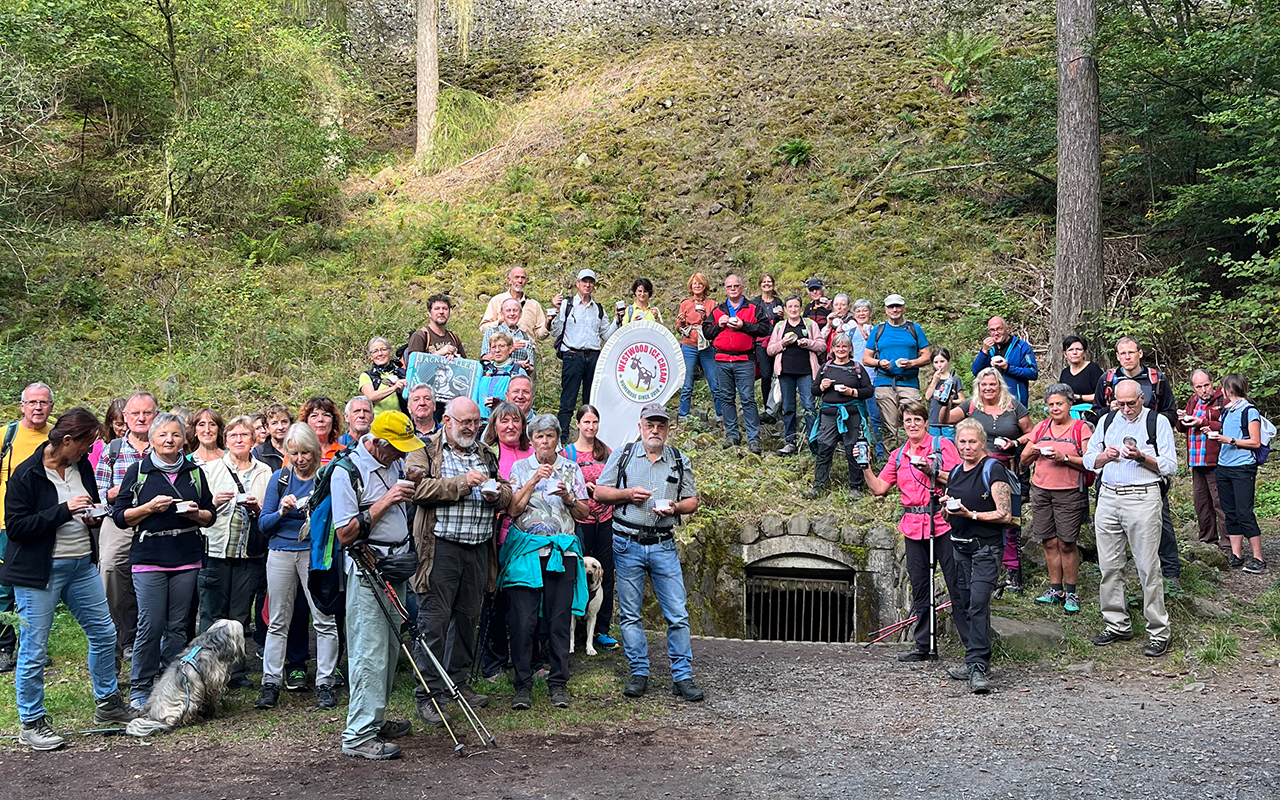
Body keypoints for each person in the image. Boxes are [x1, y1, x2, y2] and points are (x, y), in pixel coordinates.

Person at [2, 407, 141, 749]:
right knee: (34, 650)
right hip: (41, 573)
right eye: (85, 444)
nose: (89, 450)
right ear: (67, 440)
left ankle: (108, 705)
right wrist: (64, 510)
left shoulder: (82, 467)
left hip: (81, 566)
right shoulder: (27, 474)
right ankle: (31, 722)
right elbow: (17, 528)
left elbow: (88, 505)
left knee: (105, 634)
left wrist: (92, 516)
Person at [406, 397, 512, 728]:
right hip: (440, 549)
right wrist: (463, 484)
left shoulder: (486, 455)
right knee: (433, 623)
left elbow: (508, 494)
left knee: (467, 620)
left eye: (475, 421)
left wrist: (499, 496)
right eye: (463, 421)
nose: (470, 427)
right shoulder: (424, 450)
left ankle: (458, 683)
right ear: (447, 420)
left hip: (478, 549)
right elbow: (416, 489)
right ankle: (428, 693)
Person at [593, 402, 703, 702]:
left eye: (661, 425)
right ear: (640, 426)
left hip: (664, 543)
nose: (655, 430)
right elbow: (600, 492)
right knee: (630, 614)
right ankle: (638, 672)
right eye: (650, 425)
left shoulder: (679, 459)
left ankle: (682, 677)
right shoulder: (624, 455)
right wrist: (628, 494)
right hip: (626, 542)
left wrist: (676, 507)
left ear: (668, 429)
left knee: (678, 614)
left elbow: (692, 500)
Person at [331, 411, 424, 760]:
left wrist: (406, 481)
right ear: (378, 443)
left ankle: (376, 718)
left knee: (388, 645)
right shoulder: (346, 472)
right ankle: (357, 735)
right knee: (368, 649)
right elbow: (344, 533)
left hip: (395, 566)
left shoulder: (392, 463)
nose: (402, 455)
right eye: (397, 449)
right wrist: (389, 499)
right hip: (367, 569)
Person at [112, 412, 217, 707]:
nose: (169, 440)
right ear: (152, 440)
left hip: (187, 556)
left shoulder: (195, 472)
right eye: (162, 435)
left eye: (175, 435)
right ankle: (140, 687)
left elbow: (211, 515)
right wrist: (147, 508)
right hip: (149, 556)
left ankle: (173, 684)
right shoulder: (138, 471)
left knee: (178, 625)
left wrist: (196, 513)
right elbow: (120, 516)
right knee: (151, 622)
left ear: (184, 439)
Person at [861, 401, 964, 663]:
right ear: (902, 424)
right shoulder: (898, 455)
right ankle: (923, 645)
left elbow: (959, 478)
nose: (913, 425)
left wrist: (933, 471)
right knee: (919, 587)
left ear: (925, 422)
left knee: (956, 584)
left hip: (942, 522)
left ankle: (971, 646)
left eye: (917, 419)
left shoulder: (942, 446)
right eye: (908, 421)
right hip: (912, 526)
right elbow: (880, 488)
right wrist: (865, 465)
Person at [1083, 379, 1176, 658]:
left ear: (1142, 399)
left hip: (1143, 496)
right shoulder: (1108, 420)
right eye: (1120, 403)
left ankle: (1158, 630)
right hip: (1108, 496)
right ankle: (1116, 623)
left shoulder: (1157, 422)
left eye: (1130, 403)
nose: (1125, 409)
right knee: (1110, 565)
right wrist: (1103, 457)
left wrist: (1141, 457)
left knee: (1148, 566)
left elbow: (1171, 465)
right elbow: (1088, 460)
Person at [505, 415, 589, 710]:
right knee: (523, 621)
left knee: (558, 621)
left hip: (561, 553)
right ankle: (522, 685)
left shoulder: (571, 469)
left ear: (558, 439)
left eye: (550, 436)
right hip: (528, 553)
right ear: (531, 440)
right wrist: (532, 481)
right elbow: (512, 510)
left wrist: (568, 496)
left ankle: (558, 683)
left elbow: (584, 513)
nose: (544, 441)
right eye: (539, 436)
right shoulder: (519, 468)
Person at [256, 423, 338, 711]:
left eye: (305, 452)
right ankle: (270, 683)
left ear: (315, 451)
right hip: (280, 552)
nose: (300, 459)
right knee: (278, 620)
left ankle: (325, 682)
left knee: (323, 618)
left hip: (314, 553)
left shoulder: (326, 479)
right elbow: (263, 524)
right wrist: (282, 511)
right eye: (294, 454)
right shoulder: (279, 479)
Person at [1090, 337, 1181, 592]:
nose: (1127, 357)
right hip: (1114, 473)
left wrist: (1146, 422)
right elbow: (1095, 412)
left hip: (1148, 468)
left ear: (1140, 353)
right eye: (1123, 353)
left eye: (1132, 352)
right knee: (1111, 527)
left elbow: (1170, 413)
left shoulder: (1156, 379)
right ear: (1117, 356)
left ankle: (1171, 573)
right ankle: (1116, 581)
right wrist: (1113, 413)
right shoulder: (1107, 380)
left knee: (1161, 520)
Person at [197, 415, 272, 689]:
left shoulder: (265, 471)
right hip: (216, 549)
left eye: (244, 435)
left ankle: (235, 671)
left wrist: (258, 509)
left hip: (249, 552)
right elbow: (199, 510)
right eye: (233, 436)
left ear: (253, 440)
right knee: (212, 612)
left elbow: (270, 510)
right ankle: (205, 668)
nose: (238, 440)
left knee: (239, 614)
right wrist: (214, 502)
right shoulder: (210, 469)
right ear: (225, 440)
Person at [940, 418, 1014, 694]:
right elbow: (949, 510)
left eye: (972, 441)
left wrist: (971, 514)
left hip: (985, 548)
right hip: (959, 547)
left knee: (979, 604)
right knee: (964, 603)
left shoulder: (993, 469)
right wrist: (948, 509)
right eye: (963, 441)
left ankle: (978, 666)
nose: (967, 446)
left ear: (982, 443)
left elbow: (1004, 514)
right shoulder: (957, 471)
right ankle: (973, 657)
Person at [943, 367, 1032, 591]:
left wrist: (1015, 443)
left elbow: (1032, 431)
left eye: (992, 384)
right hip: (975, 473)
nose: (988, 388)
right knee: (977, 516)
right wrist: (946, 400)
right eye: (984, 385)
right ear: (978, 387)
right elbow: (944, 420)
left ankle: (1012, 572)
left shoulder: (1013, 406)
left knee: (1009, 521)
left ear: (999, 385)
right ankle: (982, 572)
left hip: (1006, 469)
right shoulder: (971, 406)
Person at [94, 390, 158, 666]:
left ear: (156, 415)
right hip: (119, 522)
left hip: (156, 523)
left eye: (147, 413)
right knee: (109, 569)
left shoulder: (166, 447)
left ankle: (149, 651)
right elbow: (98, 493)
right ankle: (112, 645)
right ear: (125, 418)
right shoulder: (113, 450)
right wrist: (116, 494)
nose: (141, 418)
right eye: (135, 414)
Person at [1021, 384, 1093, 613]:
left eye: (1059, 403)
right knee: (1048, 541)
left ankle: (1071, 591)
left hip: (1070, 491)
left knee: (1067, 542)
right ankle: (1055, 589)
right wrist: (1035, 450)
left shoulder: (1080, 429)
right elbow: (1023, 460)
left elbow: (1090, 462)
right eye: (1051, 404)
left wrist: (1065, 457)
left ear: (1069, 404)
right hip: (1041, 490)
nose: (1054, 408)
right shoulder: (1041, 428)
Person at [0, 382, 54, 674]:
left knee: (36, 588)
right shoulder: (6, 436)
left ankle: (32, 646)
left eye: (43, 403)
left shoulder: (57, 437)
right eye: (32, 402)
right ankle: (5, 646)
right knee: (4, 589)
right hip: (7, 524)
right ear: (22, 405)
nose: (37, 408)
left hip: (46, 525)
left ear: (51, 407)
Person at [477, 401, 533, 680]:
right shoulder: (488, 453)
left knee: (526, 599)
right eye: (504, 421)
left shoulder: (533, 451)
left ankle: (528, 657)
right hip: (497, 535)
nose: (510, 426)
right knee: (495, 598)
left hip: (529, 537)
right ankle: (494, 660)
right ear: (494, 426)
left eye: (516, 421)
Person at [562, 404, 619, 651]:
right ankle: (576, 628)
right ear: (578, 424)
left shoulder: (606, 451)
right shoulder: (568, 454)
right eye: (586, 422)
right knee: (579, 574)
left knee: (604, 573)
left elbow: (617, 481)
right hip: (580, 522)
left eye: (594, 422)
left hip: (605, 519)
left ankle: (601, 630)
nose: (591, 427)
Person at [703, 274, 770, 454]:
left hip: (744, 359)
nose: (733, 289)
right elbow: (706, 332)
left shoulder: (754, 308)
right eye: (729, 287)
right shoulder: (718, 310)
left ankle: (753, 439)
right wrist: (719, 325)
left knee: (748, 399)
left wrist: (744, 326)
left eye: (736, 286)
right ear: (725, 290)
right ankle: (732, 436)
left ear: (742, 288)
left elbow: (765, 328)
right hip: (722, 359)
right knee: (726, 398)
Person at [550, 269, 616, 442]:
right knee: (568, 399)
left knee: (591, 400)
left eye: (590, 282)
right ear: (577, 284)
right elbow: (555, 331)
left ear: (594, 285)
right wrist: (555, 311)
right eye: (584, 281)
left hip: (594, 357)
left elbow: (607, 335)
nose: (587, 285)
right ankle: (562, 438)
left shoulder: (599, 309)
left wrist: (617, 319)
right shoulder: (567, 305)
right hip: (572, 356)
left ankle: (591, 438)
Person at [1210, 374, 1266, 573]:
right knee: (1230, 512)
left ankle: (1258, 558)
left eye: (1223, 388)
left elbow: (1255, 442)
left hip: (1243, 467)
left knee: (1244, 512)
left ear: (1230, 389)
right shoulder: (1226, 411)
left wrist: (1229, 440)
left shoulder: (1249, 411)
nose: (1221, 391)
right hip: (1224, 466)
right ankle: (1236, 555)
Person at [806, 334, 873, 497]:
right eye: (837, 346)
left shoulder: (857, 368)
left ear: (850, 349)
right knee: (824, 448)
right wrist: (821, 386)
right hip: (829, 414)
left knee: (853, 450)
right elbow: (814, 391)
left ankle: (855, 488)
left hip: (852, 414)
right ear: (832, 349)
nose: (841, 349)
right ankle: (819, 486)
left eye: (844, 346)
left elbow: (869, 391)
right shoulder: (826, 367)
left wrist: (852, 392)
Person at [863, 293, 931, 453]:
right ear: (886, 310)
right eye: (891, 307)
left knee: (915, 422)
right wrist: (880, 363)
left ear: (903, 308)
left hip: (909, 382)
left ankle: (919, 459)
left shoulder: (914, 328)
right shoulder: (879, 330)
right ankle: (892, 465)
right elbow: (866, 358)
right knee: (889, 426)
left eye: (898, 306)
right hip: (884, 383)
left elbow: (927, 356)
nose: (895, 309)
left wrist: (912, 363)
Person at [766, 295, 826, 456]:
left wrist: (808, 343)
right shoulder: (780, 326)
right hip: (786, 373)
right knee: (788, 408)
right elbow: (770, 350)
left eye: (796, 306)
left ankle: (813, 441)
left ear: (800, 308)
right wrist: (782, 344)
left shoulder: (809, 325)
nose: (793, 309)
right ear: (785, 309)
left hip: (806, 372)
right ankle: (790, 441)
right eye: (790, 307)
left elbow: (822, 346)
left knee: (809, 406)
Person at [1178, 370, 1227, 551]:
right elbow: (1181, 429)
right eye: (1199, 387)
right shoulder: (1193, 401)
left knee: (1220, 502)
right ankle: (1207, 541)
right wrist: (1182, 419)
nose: (1204, 390)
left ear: (1212, 383)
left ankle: (1228, 544)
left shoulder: (1223, 400)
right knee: (1201, 502)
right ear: (1193, 388)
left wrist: (1203, 422)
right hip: (1196, 459)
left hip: (1216, 460)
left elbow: (1228, 426)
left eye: (1206, 385)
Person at [677, 272, 723, 425]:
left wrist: (705, 317)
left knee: (714, 382)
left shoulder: (712, 304)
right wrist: (682, 323)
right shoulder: (685, 304)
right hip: (689, 345)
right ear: (691, 286)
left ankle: (721, 415)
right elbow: (678, 328)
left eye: (700, 284)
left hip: (707, 346)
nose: (697, 286)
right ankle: (683, 415)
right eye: (694, 283)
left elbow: (716, 327)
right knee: (687, 381)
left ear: (705, 287)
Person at [970, 316, 1039, 407]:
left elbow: (1033, 373)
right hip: (992, 403)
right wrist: (984, 352)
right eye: (992, 330)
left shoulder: (1021, 347)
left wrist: (1008, 368)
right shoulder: (989, 349)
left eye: (999, 329)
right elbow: (976, 372)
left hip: (1015, 403)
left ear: (1007, 329)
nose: (996, 333)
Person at [848, 299, 885, 459]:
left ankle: (881, 453)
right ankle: (859, 451)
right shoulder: (849, 332)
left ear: (870, 313)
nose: (862, 314)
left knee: (875, 417)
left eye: (865, 311)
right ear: (854, 314)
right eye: (858, 311)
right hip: (854, 379)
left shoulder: (877, 331)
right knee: (855, 418)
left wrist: (869, 338)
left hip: (873, 378)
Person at [480, 266, 549, 340]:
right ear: (509, 280)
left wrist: (548, 322)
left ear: (526, 281)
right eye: (516, 277)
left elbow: (540, 335)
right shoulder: (497, 301)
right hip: (502, 349)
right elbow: (483, 328)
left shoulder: (534, 305)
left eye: (523, 278)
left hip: (527, 349)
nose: (520, 281)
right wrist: (498, 323)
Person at [751, 273, 784, 424]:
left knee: (778, 376)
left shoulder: (778, 302)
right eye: (764, 282)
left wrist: (782, 316)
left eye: (769, 282)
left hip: (776, 341)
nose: (767, 284)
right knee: (765, 376)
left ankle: (777, 407)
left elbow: (783, 322)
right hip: (760, 343)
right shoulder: (755, 302)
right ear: (760, 284)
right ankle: (767, 409)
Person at [481, 298, 536, 375]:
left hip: (518, 380)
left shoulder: (526, 338)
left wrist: (526, 366)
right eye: (508, 310)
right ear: (502, 314)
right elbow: (484, 359)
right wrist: (510, 348)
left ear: (520, 314)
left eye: (515, 310)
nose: (512, 314)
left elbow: (531, 368)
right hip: (496, 378)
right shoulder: (491, 333)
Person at [405, 294, 467, 362]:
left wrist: (457, 360)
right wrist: (439, 354)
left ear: (449, 312)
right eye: (437, 309)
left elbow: (466, 367)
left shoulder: (454, 338)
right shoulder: (420, 336)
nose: (441, 312)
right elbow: (414, 366)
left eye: (445, 309)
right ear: (429, 313)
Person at [360, 337, 408, 417]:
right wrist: (394, 388)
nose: (380, 354)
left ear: (390, 351)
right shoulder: (367, 376)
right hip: (378, 423)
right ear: (371, 356)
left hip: (402, 422)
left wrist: (403, 390)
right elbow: (370, 396)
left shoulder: (401, 373)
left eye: (383, 349)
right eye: (375, 351)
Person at [925, 348, 964, 440]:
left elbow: (962, 400)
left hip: (949, 420)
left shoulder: (954, 380)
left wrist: (950, 400)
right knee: (934, 446)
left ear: (948, 361)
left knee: (949, 444)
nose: (939, 365)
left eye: (942, 361)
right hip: (934, 420)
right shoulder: (932, 379)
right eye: (936, 362)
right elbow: (927, 396)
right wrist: (934, 381)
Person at [1057, 336, 1104, 412]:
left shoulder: (1093, 369)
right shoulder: (1064, 373)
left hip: (1091, 411)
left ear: (1084, 353)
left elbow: (1101, 395)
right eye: (1070, 350)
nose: (1074, 353)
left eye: (1078, 349)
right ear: (1065, 354)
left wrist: (1079, 397)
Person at [301, 396, 345, 464]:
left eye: (326, 415)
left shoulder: (344, 452)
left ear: (334, 421)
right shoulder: (296, 452)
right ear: (305, 422)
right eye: (314, 415)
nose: (320, 419)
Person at [253, 403, 294, 472]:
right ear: (266, 427)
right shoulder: (259, 454)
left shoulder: (300, 449)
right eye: (274, 423)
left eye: (284, 422)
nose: (280, 427)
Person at [91, 398, 127, 468]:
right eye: (119, 424)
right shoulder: (98, 447)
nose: (125, 428)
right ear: (110, 423)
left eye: (128, 424)